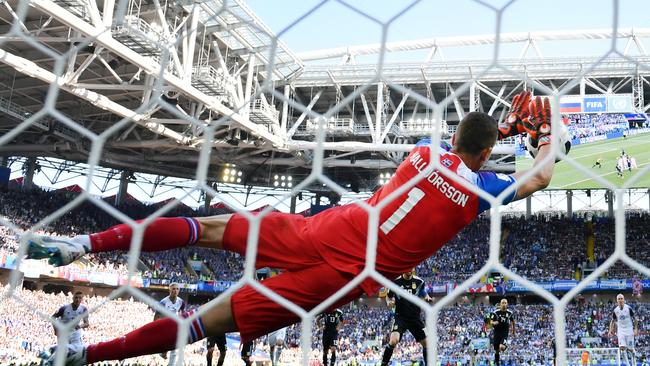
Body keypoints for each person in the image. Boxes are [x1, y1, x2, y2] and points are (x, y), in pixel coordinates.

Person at [28, 91, 560, 366]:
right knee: (207, 322)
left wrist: (505, 130)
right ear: (488, 155)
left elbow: (466, 149)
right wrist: (545, 133)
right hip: (347, 275)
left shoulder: (423, 153)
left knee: (209, 229)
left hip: (330, 229)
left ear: (454, 137)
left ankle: (83, 244)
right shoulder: (477, 194)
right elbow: (540, 175)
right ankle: (86, 357)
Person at [380, 270, 431, 366]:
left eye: (412, 268)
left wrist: (427, 297)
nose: (410, 270)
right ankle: (384, 363)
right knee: (393, 341)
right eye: (408, 268)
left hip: (415, 317)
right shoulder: (395, 282)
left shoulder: (419, 282)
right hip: (400, 317)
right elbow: (388, 296)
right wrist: (388, 302)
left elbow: (423, 292)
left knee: (427, 343)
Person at [46, 291, 89, 358]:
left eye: (79, 298)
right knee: (63, 353)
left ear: (82, 299)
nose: (77, 299)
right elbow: (53, 318)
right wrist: (56, 330)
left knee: (78, 351)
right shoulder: (64, 308)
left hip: (75, 332)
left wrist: (80, 326)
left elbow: (87, 323)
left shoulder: (84, 309)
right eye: (76, 298)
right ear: (73, 298)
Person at [154, 283, 186, 366]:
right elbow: (157, 315)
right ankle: (162, 352)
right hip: (164, 324)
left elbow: (183, 313)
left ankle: (171, 364)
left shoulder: (181, 302)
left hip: (174, 324)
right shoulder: (163, 302)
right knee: (167, 344)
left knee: (175, 344)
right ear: (169, 290)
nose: (175, 291)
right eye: (173, 289)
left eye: (177, 289)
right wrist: (154, 327)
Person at [609, 294, 638, 366]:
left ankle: (634, 361)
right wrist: (610, 330)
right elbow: (612, 321)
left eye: (621, 298)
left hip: (629, 330)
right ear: (617, 301)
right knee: (622, 348)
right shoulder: (615, 310)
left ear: (624, 300)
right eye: (619, 299)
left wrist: (636, 329)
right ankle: (627, 364)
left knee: (631, 350)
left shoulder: (628, 308)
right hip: (621, 330)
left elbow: (635, 319)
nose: (620, 300)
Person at [489, 298, 515, 366]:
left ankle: (505, 346)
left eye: (505, 303)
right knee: (497, 351)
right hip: (497, 333)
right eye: (502, 303)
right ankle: (497, 363)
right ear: (500, 304)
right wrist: (494, 323)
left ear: (507, 304)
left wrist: (513, 331)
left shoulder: (510, 313)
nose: (504, 304)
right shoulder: (495, 312)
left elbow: (513, 322)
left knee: (501, 347)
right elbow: (490, 322)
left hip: (504, 333)